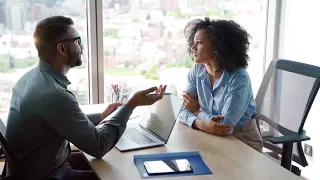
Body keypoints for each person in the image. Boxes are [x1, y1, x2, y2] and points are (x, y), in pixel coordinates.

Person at [5, 16, 167, 180]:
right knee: (125, 174)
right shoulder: (53, 94)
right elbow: (99, 146)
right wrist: (133, 103)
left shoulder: (30, 79)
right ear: (62, 49)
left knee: (118, 165)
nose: (82, 47)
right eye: (77, 41)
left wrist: (101, 117)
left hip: (44, 168)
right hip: (52, 176)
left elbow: (62, 119)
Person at [178, 17, 263, 152]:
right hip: (208, 135)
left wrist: (195, 111)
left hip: (242, 140)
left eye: (199, 43)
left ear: (218, 47)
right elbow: (181, 110)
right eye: (193, 43)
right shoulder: (197, 70)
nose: (193, 48)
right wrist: (201, 123)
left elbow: (225, 126)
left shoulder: (239, 77)